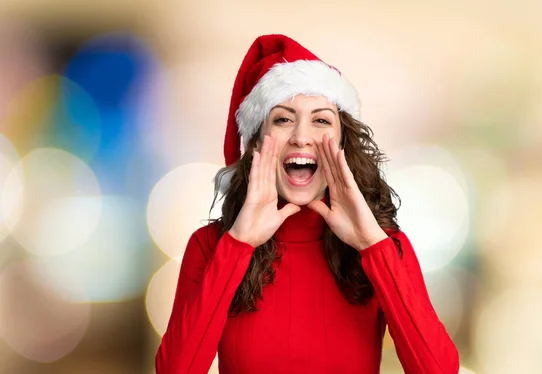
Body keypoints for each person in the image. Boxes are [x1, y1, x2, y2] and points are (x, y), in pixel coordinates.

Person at [155, 34, 460, 374]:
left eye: (321, 120)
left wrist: (373, 246)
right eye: (283, 119)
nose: (301, 136)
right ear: (257, 143)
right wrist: (237, 246)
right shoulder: (210, 247)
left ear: (343, 144)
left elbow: (438, 370)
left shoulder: (385, 248)